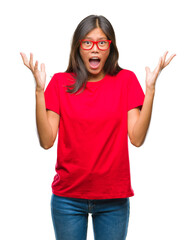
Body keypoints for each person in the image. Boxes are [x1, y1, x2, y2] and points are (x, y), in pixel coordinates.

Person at [20, 15, 175, 240]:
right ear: (78, 47)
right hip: (68, 199)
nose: (95, 49)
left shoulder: (126, 81)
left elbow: (137, 138)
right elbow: (46, 142)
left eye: (102, 42)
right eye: (88, 42)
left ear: (110, 47)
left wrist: (150, 91)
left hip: (113, 199)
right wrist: (38, 92)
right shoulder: (61, 83)